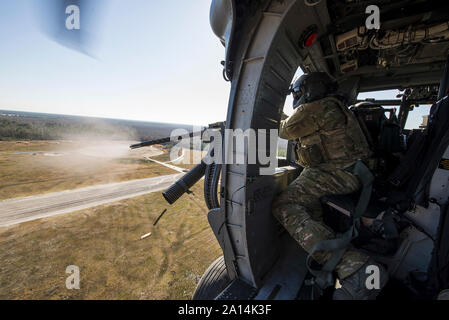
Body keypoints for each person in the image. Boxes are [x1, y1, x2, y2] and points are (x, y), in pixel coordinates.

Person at [272, 72, 388, 299]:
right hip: (353, 173)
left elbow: (283, 129)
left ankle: (355, 267)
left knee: (283, 204)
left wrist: (264, 115)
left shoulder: (315, 108)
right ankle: (320, 244)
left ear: (306, 92)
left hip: (339, 174)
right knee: (307, 197)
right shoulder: (333, 106)